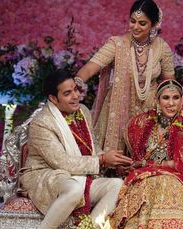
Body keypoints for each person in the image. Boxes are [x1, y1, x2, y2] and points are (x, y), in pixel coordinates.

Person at [19, 69, 133, 229]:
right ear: (53, 98)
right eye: (67, 93)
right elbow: (62, 162)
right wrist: (101, 160)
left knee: (117, 184)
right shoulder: (42, 122)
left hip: (78, 177)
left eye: (75, 89)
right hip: (46, 175)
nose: (75, 96)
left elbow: (91, 149)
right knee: (75, 189)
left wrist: (111, 160)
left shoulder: (83, 111)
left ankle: (88, 227)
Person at [109, 79, 183, 228]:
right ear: (157, 100)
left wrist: (147, 165)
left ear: (182, 99)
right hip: (146, 179)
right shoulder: (141, 123)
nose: (171, 103)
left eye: (175, 97)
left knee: (169, 188)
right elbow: (135, 159)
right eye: (166, 98)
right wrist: (129, 166)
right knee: (148, 194)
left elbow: (182, 163)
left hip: (180, 179)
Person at [75, 0, 175, 152]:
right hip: (119, 109)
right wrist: (76, 83)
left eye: (142, 23)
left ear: (153, 25)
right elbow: (89, 69)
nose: (135, 27)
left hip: (151, 111)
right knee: (116, 165)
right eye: (132, 21)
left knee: (147, 163)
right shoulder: (117, 45)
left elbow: (169, 83)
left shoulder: (161, 47)